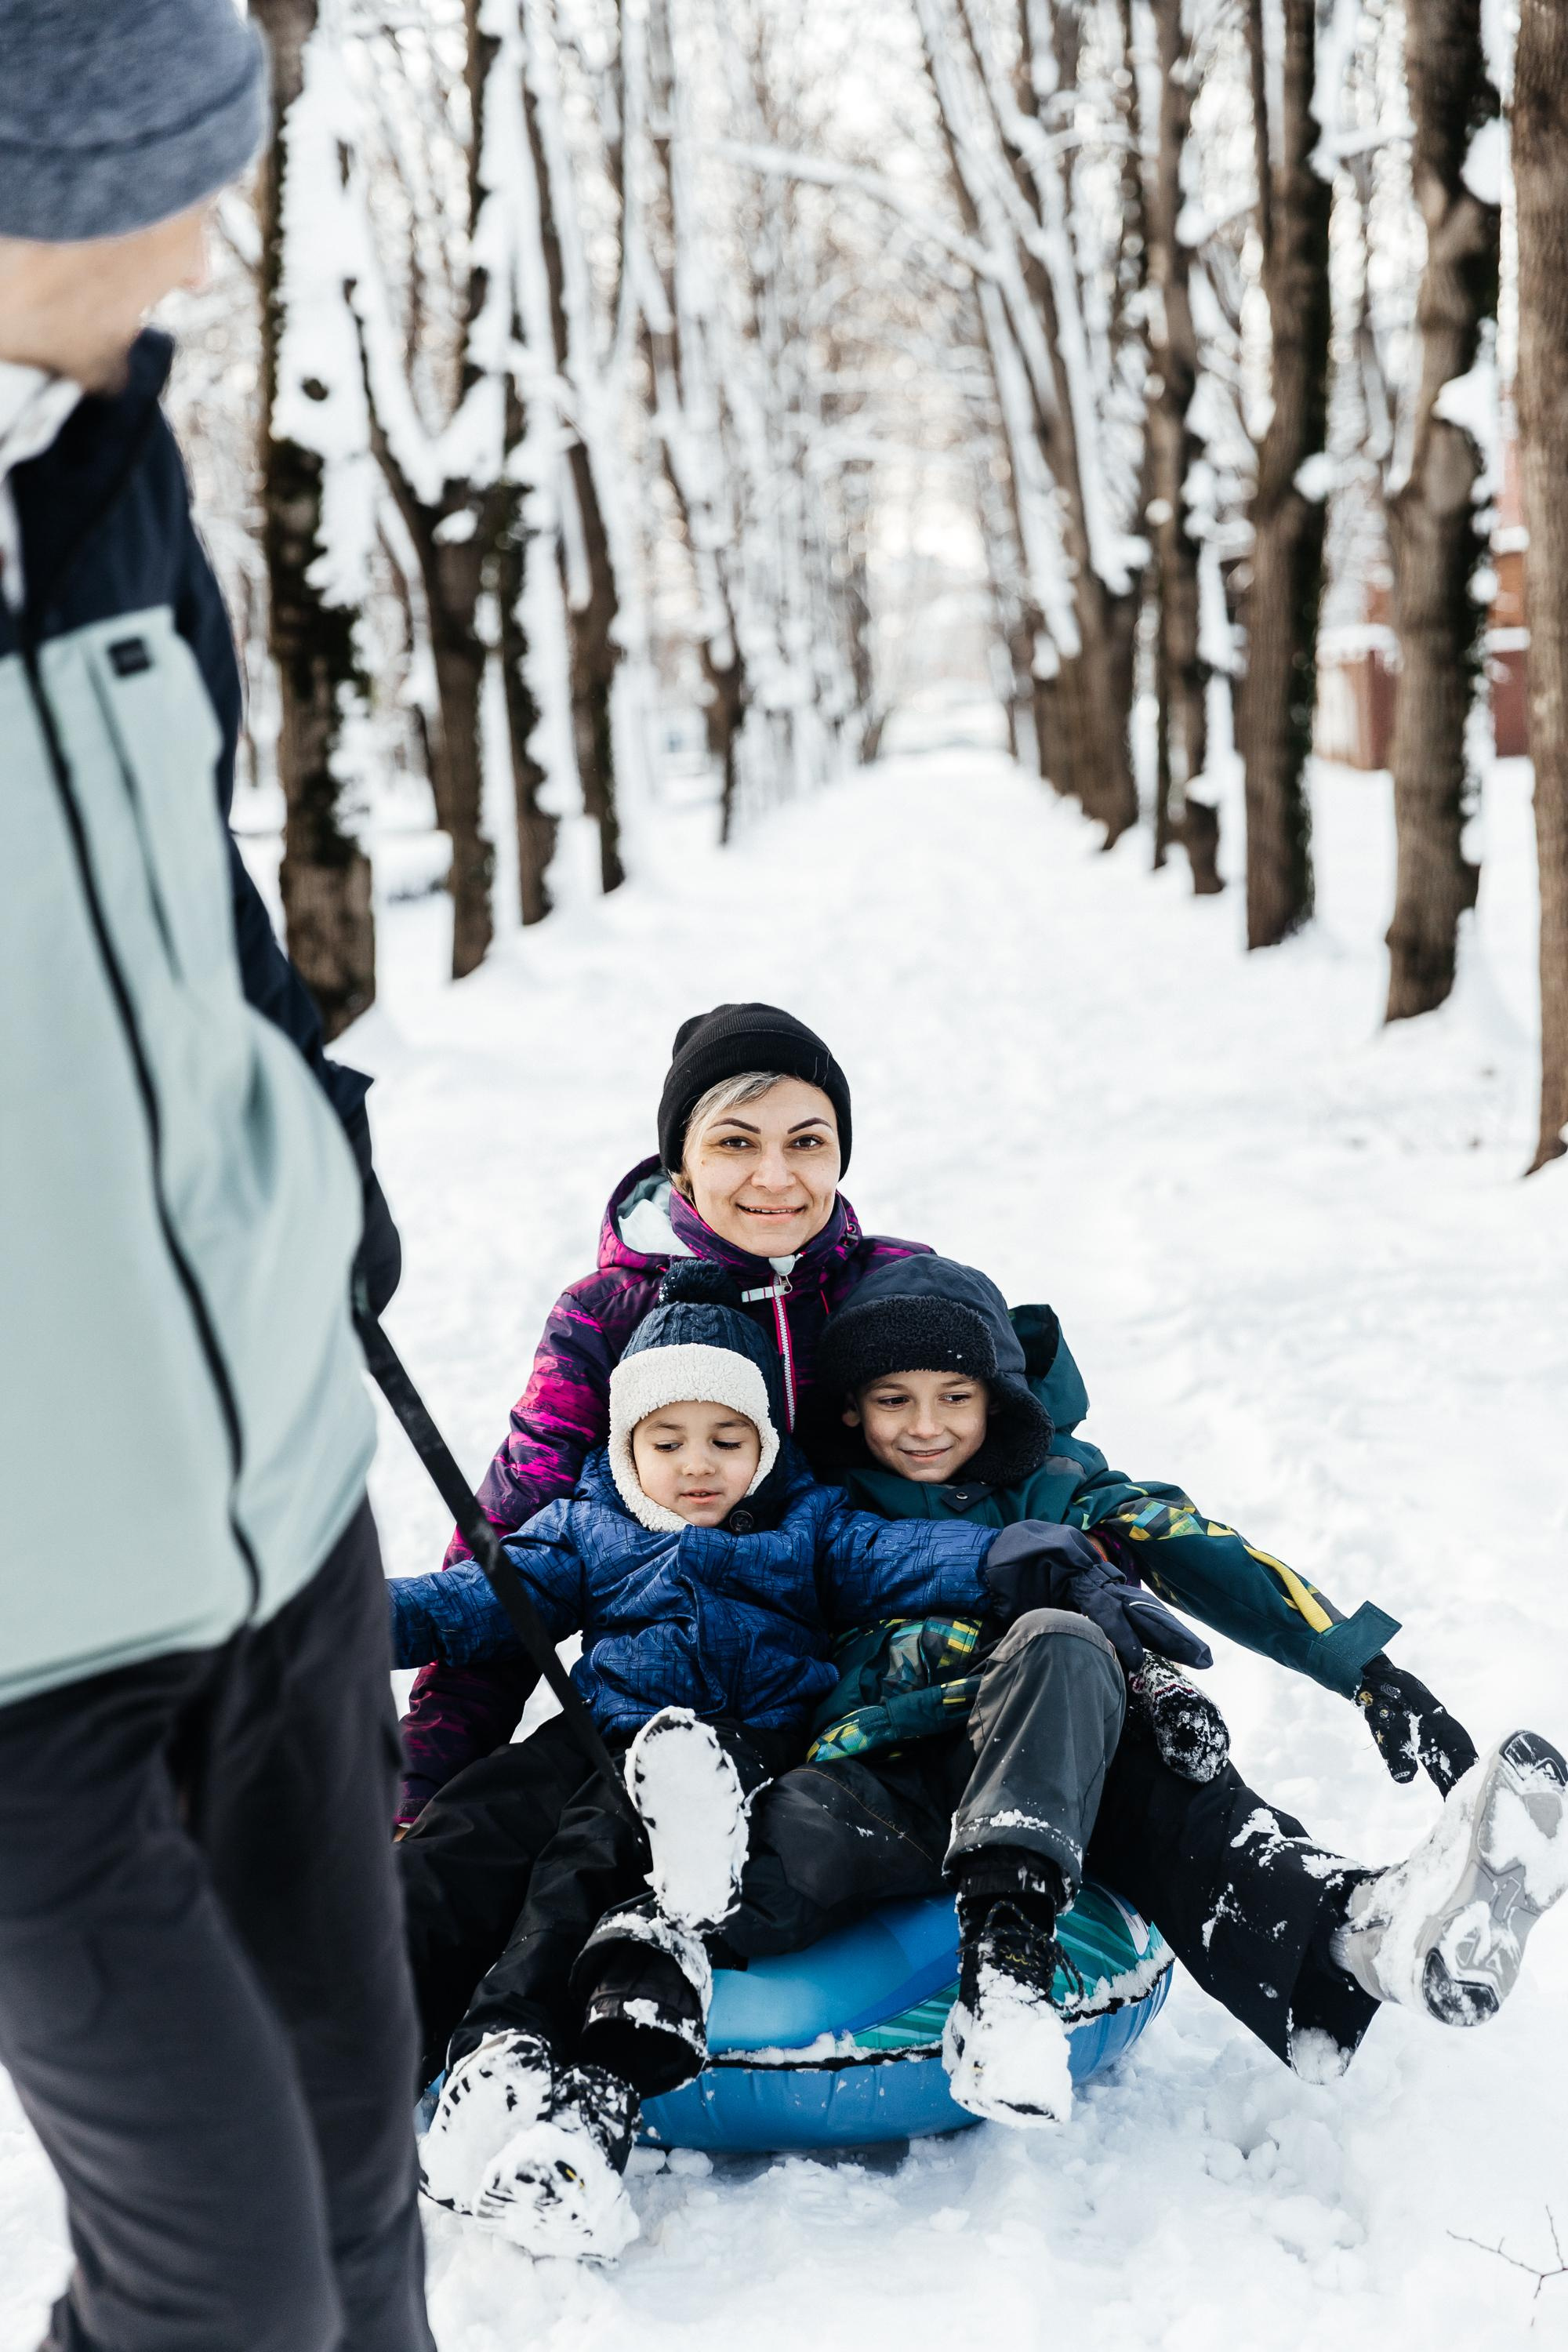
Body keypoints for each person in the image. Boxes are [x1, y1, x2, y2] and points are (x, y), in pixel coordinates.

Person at [0, 6, 430, 2347]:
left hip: (280, 1509)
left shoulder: (109, 464)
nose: (207, 222)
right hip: (22, 1649)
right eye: (181, 166)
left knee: (360, 2218)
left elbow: (184, 890)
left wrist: (298, 1130)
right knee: (231, 2290)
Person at [699, 1255, 1568, 2125]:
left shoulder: (1057, 1484)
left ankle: (1369, 1930)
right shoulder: (813, 1504)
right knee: (779, 1868)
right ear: (852, 1405)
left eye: (953, 1397)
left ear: (995, 1397)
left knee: (1172, 1790)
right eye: (894, 1399)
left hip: (1050, 1761)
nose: (925, 1426)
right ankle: (639, 1983)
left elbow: (1199, 1547)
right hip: (882, 1769)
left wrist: (1362, 1669)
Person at [390, 1265, 1145, 2258]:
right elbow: (471, 1604)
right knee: (470, 1829)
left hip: (728, 1753)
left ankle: (512, 2049)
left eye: (727, 1439)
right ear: (625, 1445)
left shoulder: (808, 1525)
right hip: (592, 1732)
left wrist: (1009, 1557)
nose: (697, 1464)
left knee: (586, 1861)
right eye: (667, 1442)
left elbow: (900, 1555)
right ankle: (355, 2040)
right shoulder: (583, 1527)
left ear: (765, 1443)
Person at [397, 1000, 939, 1824]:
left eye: (806, 1141)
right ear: (680, 1163)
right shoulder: (607, 1315)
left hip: (876, 1687)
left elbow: (1007, 1459)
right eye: (734, 1141)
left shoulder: (896, 1288)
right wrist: (419, 1791)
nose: (774, 1175)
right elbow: (507, 1564)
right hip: (657, 1709)